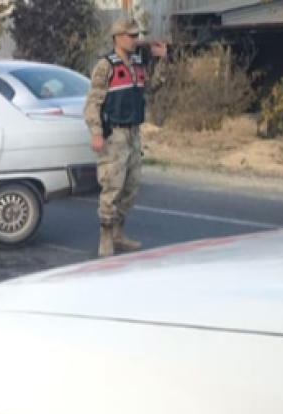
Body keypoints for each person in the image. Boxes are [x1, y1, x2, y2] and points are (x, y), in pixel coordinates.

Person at [84, 17, 169, 258]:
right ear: (118, 38)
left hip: (133, 132)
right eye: (130, 36)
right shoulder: (105, 66)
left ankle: (118, 232)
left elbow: (151, 88)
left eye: (136, 36)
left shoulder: (138, 64)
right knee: (112, 186)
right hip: (115, 133)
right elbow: (92, 104)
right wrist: (97, 133)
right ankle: (106, 237)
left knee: (130, 187)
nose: (135, 40)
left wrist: (162, 61)